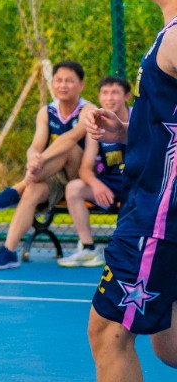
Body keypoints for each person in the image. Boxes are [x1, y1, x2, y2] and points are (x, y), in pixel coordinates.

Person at [47, 0, 177, 382]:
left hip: (159, 217)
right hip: (158, 206)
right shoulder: (167, 36)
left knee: (109, 329)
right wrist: (130, 130)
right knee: (169, 343)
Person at [0, 60, 92, 271]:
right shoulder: (46, 112)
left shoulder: (88, 110)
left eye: (69, 81)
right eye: (58, 80)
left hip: (81, 176)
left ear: (81, 85)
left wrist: (41, 159)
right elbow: (35, 146)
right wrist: (33, 158)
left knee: (68, 147)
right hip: (53, 174)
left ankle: (17, 188)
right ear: (52, 84)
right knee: (33, 190)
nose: (63, 85)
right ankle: (8, 251)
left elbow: (72, 138)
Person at [57, 76, 133, 268]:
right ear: (99, 97)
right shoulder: (97, 125)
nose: (109, 98)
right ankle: (88, 249)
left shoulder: (139, 118)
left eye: (115, 92)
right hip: (112, 183)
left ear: (126, 96)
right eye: (105, 93)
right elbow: (85, 168)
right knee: (74, 188)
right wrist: (96, 184)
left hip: (139, 181)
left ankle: (137, 250)